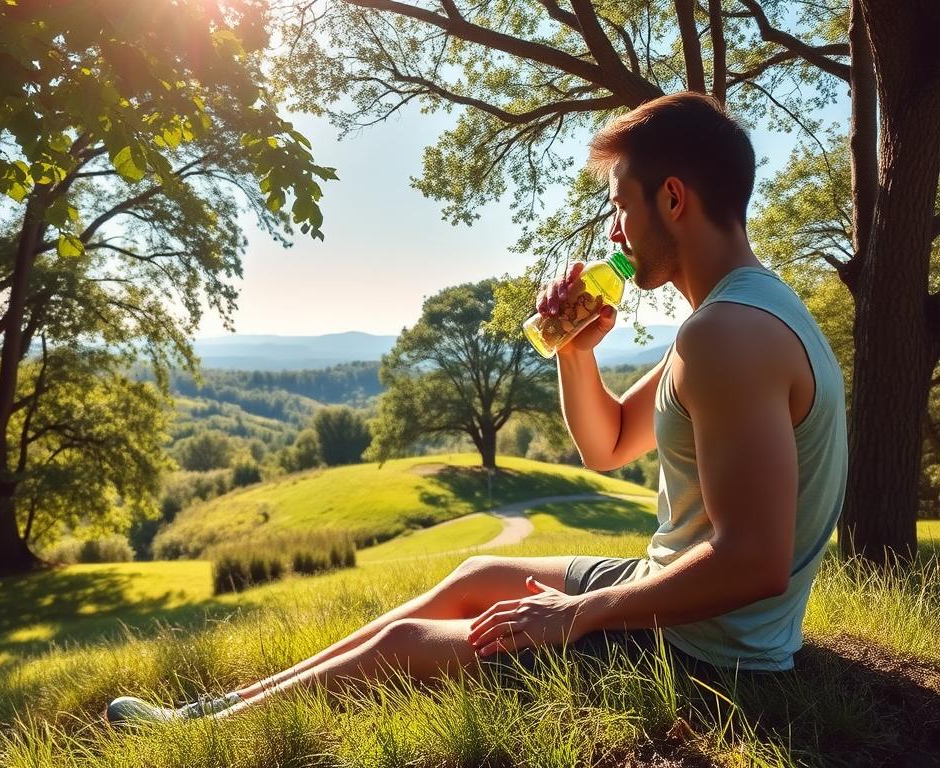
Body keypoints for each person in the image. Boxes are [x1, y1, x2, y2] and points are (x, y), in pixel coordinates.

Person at [106, 91, 848, 725]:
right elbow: (609, 442)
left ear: (674, 198)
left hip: (710, 652)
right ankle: (224, 706)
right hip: (677, 595)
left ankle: (201, 733)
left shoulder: (729, 335)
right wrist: (576, 348)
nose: (615, 230)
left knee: (411, 648)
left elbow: (756, 562)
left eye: (622, 207)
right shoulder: (735, 314)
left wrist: (575, 615)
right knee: (479, 574)